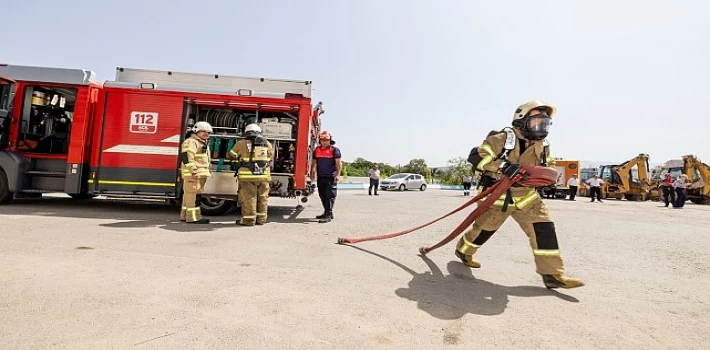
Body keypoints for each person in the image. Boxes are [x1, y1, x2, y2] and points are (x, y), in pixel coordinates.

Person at [457, 100, 584, 289]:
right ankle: (463, 250)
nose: (541, 126)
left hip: (527, 197)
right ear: (521, 119)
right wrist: (503, 166)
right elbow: (476, 156)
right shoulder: (501, 138)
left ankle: (552, 274)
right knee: (484, 230)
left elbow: (548, 165)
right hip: (498, 195)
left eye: (545, 123)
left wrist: (547, 176)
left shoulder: (543, 145)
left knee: (544, 230)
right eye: (536, 122)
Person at [228, 124, 274, 226]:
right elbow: (270, 157)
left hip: (247, 176)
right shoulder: (268, 144)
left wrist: (240, 158)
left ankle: (249, 220)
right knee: (263, 197)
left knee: (249, 198)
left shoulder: (241, 144)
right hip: (264, 176)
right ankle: (261, 219)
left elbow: (230, 155)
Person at [180, 121, 213, 224]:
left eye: (208, 132)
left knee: (189, 196)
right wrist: (194, 172)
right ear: (196, 131)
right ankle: (193, 218)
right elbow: (187, 158)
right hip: (193, 175)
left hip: (199, 174)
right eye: (203, 131)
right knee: (194, 197)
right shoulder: (191, 142)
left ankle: (185, 216)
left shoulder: (202, 142)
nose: (206, 134)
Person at [310, 130, 342, 223]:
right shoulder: (317, 150)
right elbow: (314, 162)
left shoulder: (335, 150)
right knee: (322, 195)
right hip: (321, 176)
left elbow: (339, 163)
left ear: (330, 140)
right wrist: (312, 172)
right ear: (320, 140)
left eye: (326, 140)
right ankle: (327, 212)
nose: (324, 142)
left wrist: (338, 174)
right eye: (322, 140)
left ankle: (328, 215)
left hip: (330, 177)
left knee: (329, 195)